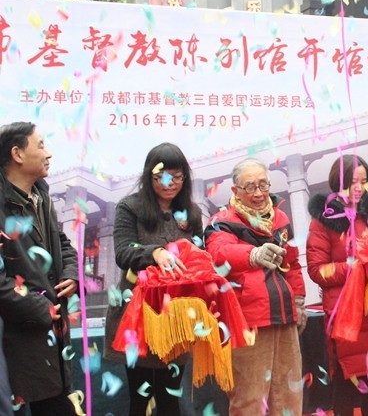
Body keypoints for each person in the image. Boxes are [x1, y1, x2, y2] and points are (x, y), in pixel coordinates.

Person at [103, 142, 204, 416]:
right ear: (149, 176)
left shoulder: (192, 213)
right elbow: (123, 252)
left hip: (177, 317)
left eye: (177, 176)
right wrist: (155, 252)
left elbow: (199, 255)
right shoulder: (130, 207)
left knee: (170, 398)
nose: (170, 184)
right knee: (143, 399)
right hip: (140, 314)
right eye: (161, 177)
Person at [204, 158, 306, 416]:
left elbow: (292, 264)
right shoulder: (221, 220)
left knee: (289, 393)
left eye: (263, 185)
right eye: (250, 187)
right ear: (235, 190)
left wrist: (299, 301)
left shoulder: (280, 217)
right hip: (247, 320)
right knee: (249, 397)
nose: (259, 193)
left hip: (284, 315)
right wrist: (252, 255)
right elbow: (219, 253)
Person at [306, 155, 368, 416]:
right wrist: (356, 265)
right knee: (347, 382)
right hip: (346, 312)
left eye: (364, 181)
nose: (358, 188)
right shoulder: (323, 221)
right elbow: (317, 270)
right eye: (352, 182)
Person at [0, 121, 79, 415]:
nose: (49, 154)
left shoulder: (42, 197)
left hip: (52, 335)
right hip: (15, 337)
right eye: (42, 145)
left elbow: (62, 243)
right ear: (17, 154)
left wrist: (70, 273)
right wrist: (39, 308)